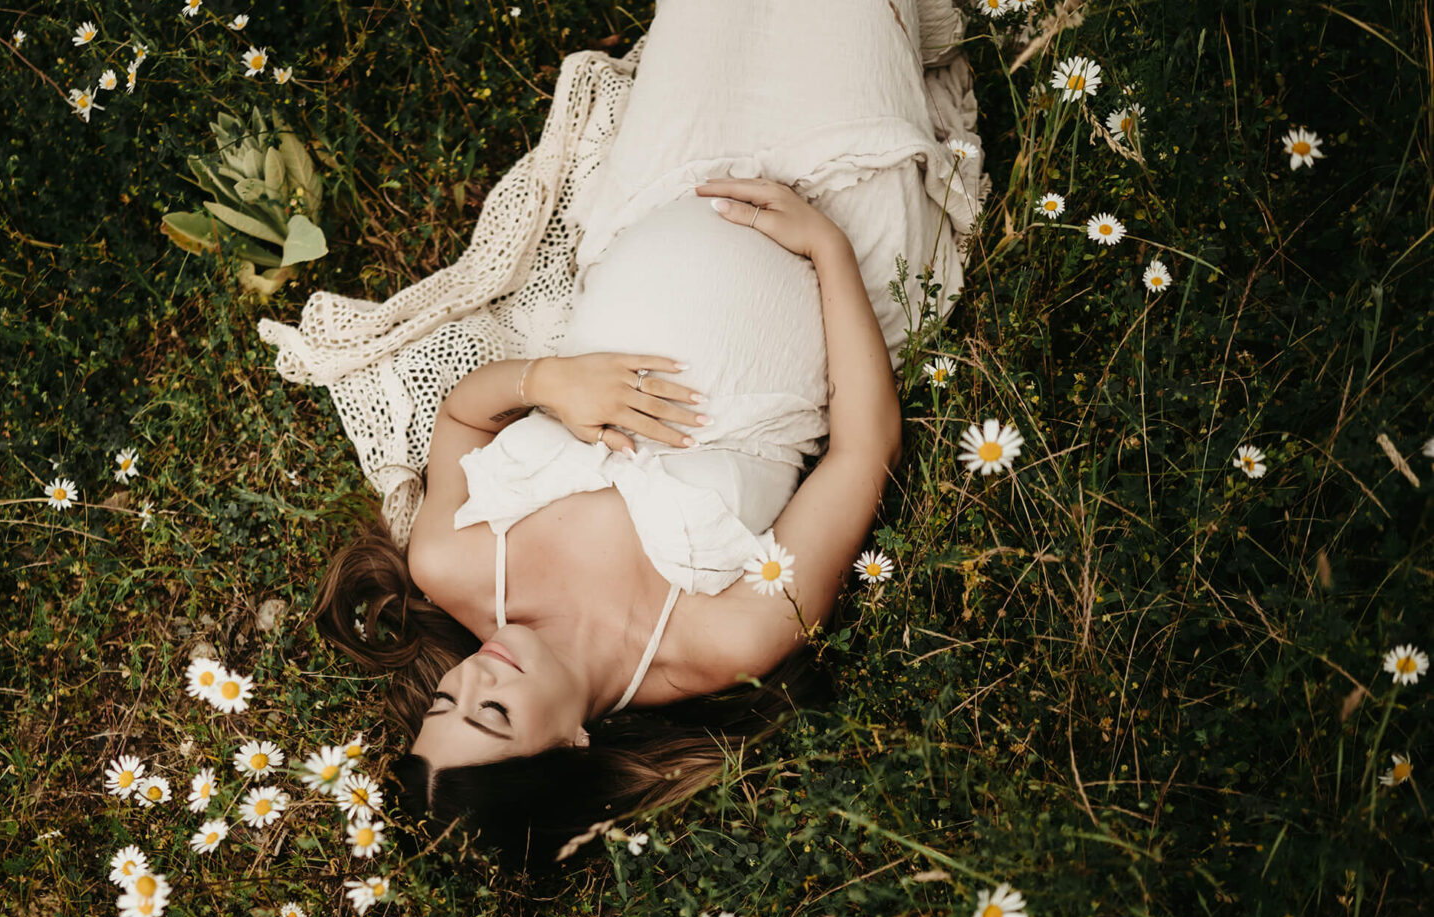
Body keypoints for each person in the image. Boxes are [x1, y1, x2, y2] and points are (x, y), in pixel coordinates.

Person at [308, 0, 975, 869]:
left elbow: (463, 414)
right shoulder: (724, 639)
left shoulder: (457, 564)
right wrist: (825, 247)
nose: (475, 677)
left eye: (447, 703)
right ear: (572, 748)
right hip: (841, 216)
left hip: (665, 182)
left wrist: (548, 381)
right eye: (495, 714)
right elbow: (863, 451)